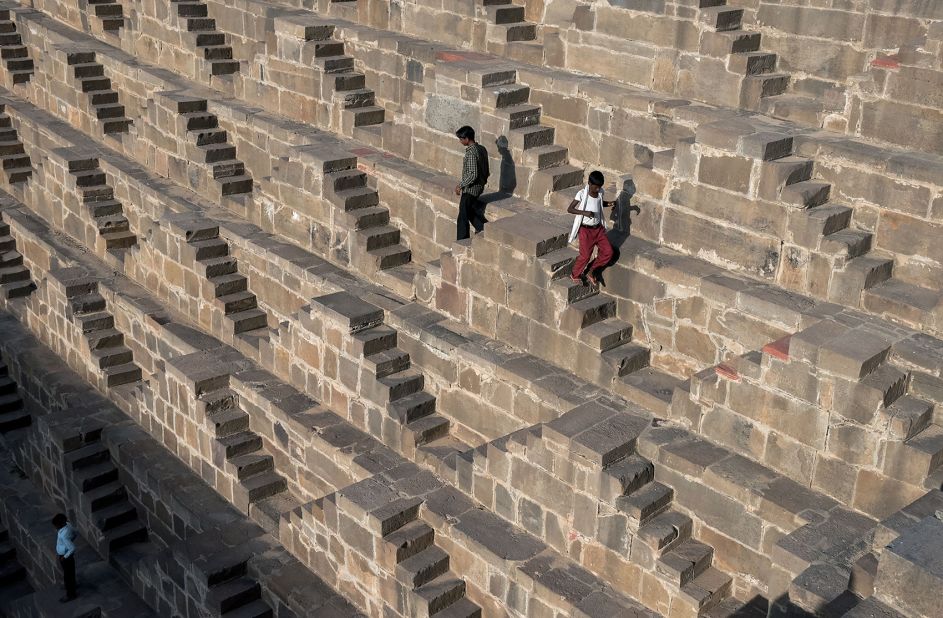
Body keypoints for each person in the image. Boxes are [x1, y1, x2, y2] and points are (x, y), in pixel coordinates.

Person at [567, 170, 615, 285]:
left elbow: (599, 203)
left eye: (599, 187)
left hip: (598, 229)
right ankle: (575, 274)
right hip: (586, 230)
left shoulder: (600, 193)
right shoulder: (582, 194)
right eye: (595, 187)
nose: (598, 189)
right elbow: (570, 209)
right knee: (585, 256)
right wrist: (585, 213)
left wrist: (610, 203)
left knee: (608, 252)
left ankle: (591, 270)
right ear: (589, 183)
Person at [453, 126, 490, 240]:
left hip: (471, 189)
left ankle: (462, 241)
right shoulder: (482, 148)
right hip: (480, 186)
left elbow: (472, 174)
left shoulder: (471, 153)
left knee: (462, 217)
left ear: (467, 139)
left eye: (461, 139)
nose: (460, 141)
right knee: (469, 211)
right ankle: (484, 227)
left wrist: (461, 185)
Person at [52, 513, 77, 602]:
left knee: (68, 575)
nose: (55, 527)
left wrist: (65, 557)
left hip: (65, 557)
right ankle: (71, 586)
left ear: (60, 524)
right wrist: (71, 539)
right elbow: (75, 532)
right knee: (70, 572)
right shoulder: (68, 525)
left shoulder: (63, 535)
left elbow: (72, 548)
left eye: (56, 525)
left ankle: (70, 594)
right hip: (67, 556)